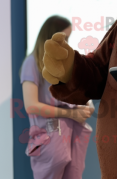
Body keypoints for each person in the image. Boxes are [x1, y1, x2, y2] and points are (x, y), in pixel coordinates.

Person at [21, 15, 94, 179]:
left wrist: (86, 104)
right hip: (50, 132)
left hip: (74, 131)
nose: (67, 43)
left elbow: (81, 90)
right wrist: (70, 114)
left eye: (69, 38)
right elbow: (31, 105)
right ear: (50, 37)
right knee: (54, 167)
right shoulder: (31, 63)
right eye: (65, 38)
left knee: (75, 172)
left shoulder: (67, 63)